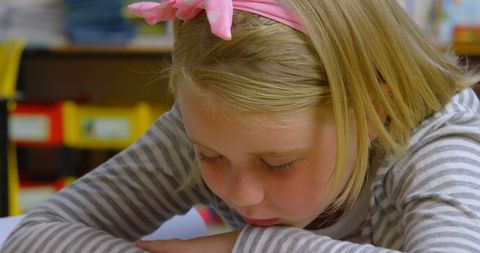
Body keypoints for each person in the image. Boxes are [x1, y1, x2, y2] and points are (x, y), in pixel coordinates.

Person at [3, 0, 480, 252]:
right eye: (209, 157)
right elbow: (36, 233)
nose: (240, 193)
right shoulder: (215, 125)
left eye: (278, 164)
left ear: (376, 113)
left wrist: (248, 247)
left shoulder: (436, 143)